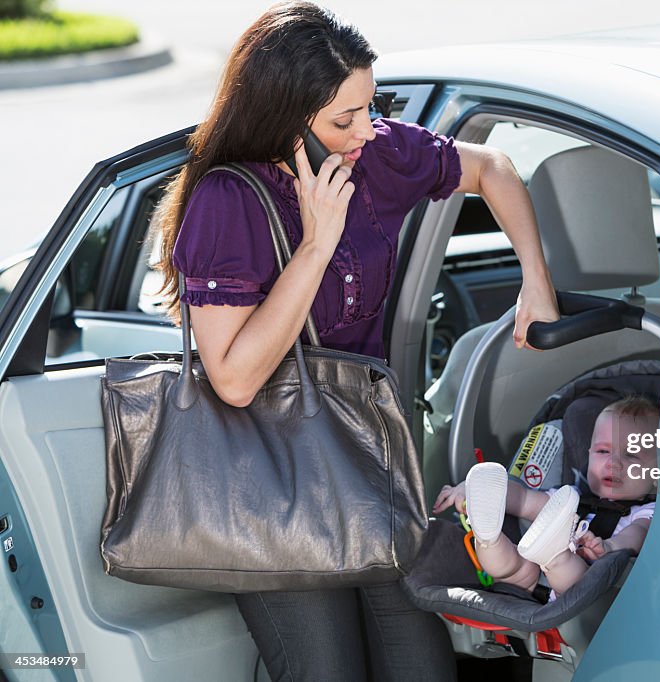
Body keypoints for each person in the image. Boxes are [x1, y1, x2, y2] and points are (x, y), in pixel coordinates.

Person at [154, 2, 559, 680]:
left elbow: (493, 167)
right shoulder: (226, 203)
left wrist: (535, 282)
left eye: (371, 107)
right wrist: (317, 241)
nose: (367, 130)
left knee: (422, 664)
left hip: (367, 459)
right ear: (285, 118)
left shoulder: (376, 154)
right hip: (266, 481)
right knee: (328, 669)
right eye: (344, 119)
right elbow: (233, 379)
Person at [432, 396, 659, 597]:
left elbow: (635, 537)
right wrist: (477, 492)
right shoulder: (572, 497)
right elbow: (523, 500)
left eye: (631, 455)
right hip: (531, 580)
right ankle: (488, 538)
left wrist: (607, 548)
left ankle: (554, 556)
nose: (613, 463)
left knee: (574, 573)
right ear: (589, 455)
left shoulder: (648, 512)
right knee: (509, 566)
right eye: (603, 451)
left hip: (588, 594)